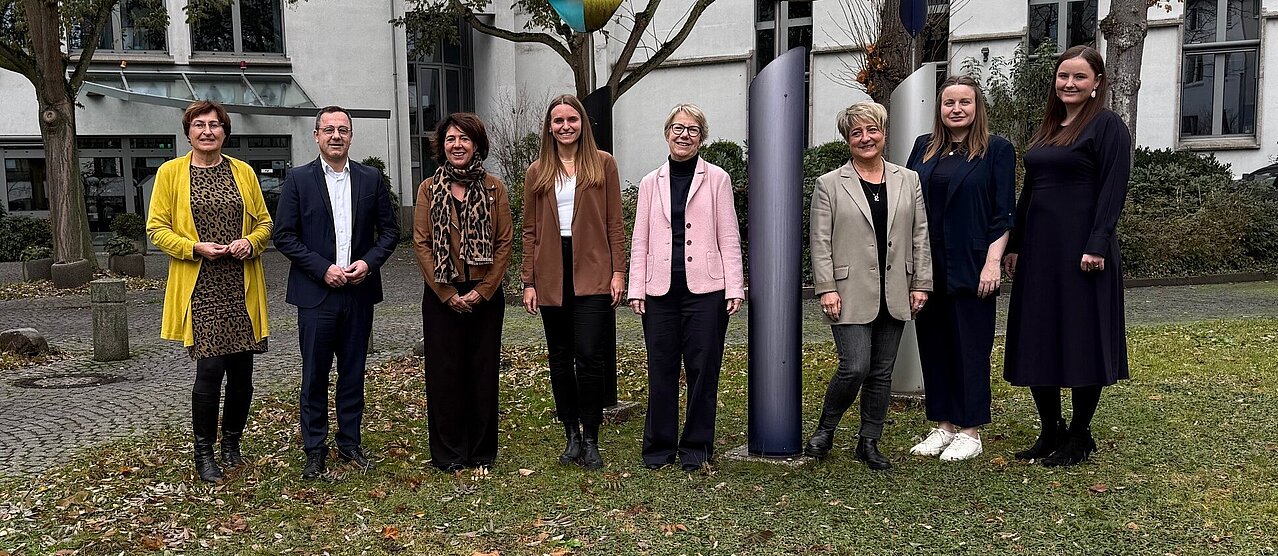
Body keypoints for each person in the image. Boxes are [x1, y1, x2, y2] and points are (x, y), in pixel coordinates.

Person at [1003, 45, 1131, 467]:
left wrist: (1097, 242)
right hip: (1040, 249)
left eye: (1079, 77)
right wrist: (1016, 243)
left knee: (1081, 335)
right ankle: (1050, 430)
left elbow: (1114, 188)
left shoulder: (1107, 126)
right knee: (1039, 334)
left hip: (1082, 250)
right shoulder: (1048, 127)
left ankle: (1079, 435)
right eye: (1063, 77)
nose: (1069, 84)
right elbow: (1031, 190)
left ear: (1096, 84)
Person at [147, 100, 272, 483]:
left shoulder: (243, 172)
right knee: (211, 369)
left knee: (242, 373)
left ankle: (232, 444)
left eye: (214, 125)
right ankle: (204, 453)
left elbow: (266, 223)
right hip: (200, 284)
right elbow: (156, 229)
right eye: (199, 125)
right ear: (188, 132)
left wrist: (251, 242)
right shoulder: (171, 173)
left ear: (224, 131)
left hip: (241, 283)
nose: (207, 131)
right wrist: (193, 247)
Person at [274, 105, 400, 479]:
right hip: (316, 295)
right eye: (328, 129)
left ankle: (350, 442)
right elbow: (284, 236)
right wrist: (321, 268)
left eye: (342, 130)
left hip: (358, 293)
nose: (335, 136)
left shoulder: (371, 178)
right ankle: (314, 449)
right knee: (314, 375)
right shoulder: (298, 180)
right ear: (316, 136)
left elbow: (390, 232)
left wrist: (369, 263)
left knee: (353, 372)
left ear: (351, 136)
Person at [805, 101, 932, 470]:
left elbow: (920, 234)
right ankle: (826, 429)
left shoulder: (908, 179)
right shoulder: (829, 184)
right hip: (848, 291)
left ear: (884, 133)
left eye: (872, 130)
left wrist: (921, 282)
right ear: (847, 139)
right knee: (855, 366)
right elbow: (820, 240)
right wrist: (826, 287)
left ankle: (869, 441)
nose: (865, 138)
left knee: (881, 372)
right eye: (856, 132)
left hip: (897, 288)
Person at [627, 104, 745, 472]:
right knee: (660, 368)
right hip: (659, 290)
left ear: (702, 137)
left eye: (693, 130)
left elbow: (729, 235)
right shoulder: (651, 182)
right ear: (667, 134)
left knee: (703, 369)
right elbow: (640, 240)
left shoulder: (717, 179)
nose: (684, 135)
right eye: (678, 128)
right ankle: (659, 449)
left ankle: (696, 448)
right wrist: (636, 287)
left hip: (706, 291)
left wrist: (734, 286)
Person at [904, 75, 1016, 462]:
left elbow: (1003, 212)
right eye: (949, 102)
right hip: (927, 264)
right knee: (934, 345)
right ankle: (944, 425)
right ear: (939, 108)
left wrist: (992, 262)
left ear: (977, 106)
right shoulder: (924, 147)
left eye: (964, 102)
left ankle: (970, 429)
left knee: (970, 346)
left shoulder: (996, 149)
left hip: (973, 263)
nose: (956, 109)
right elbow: (907, 201)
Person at [521, 94, 626, 471]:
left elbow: (615, 221)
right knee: (560, 358)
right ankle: (571, 435)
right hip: (551, 269)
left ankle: (593, 437)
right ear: (549, 127)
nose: (565, 126)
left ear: (583, 123)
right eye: (558, 121)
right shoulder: (537, 172)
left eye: (572, 120)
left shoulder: (603, 165)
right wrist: (528, 280)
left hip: (593, 268)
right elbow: (530, 230)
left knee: (590, 356)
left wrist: (618, 271)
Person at [412, 113, 513, 472]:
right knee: (445, 373)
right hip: (442, 295)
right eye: (451, 139)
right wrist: (445, 291)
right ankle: (449, 453)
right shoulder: (428, 188)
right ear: (442, 145)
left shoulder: (494, 188)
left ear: (477, 145)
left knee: (483, 371)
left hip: (484, 295)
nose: (457, 145)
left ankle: (482, 451)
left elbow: (504, 243)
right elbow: (421, 243)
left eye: (465, 139)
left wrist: (483, 291)